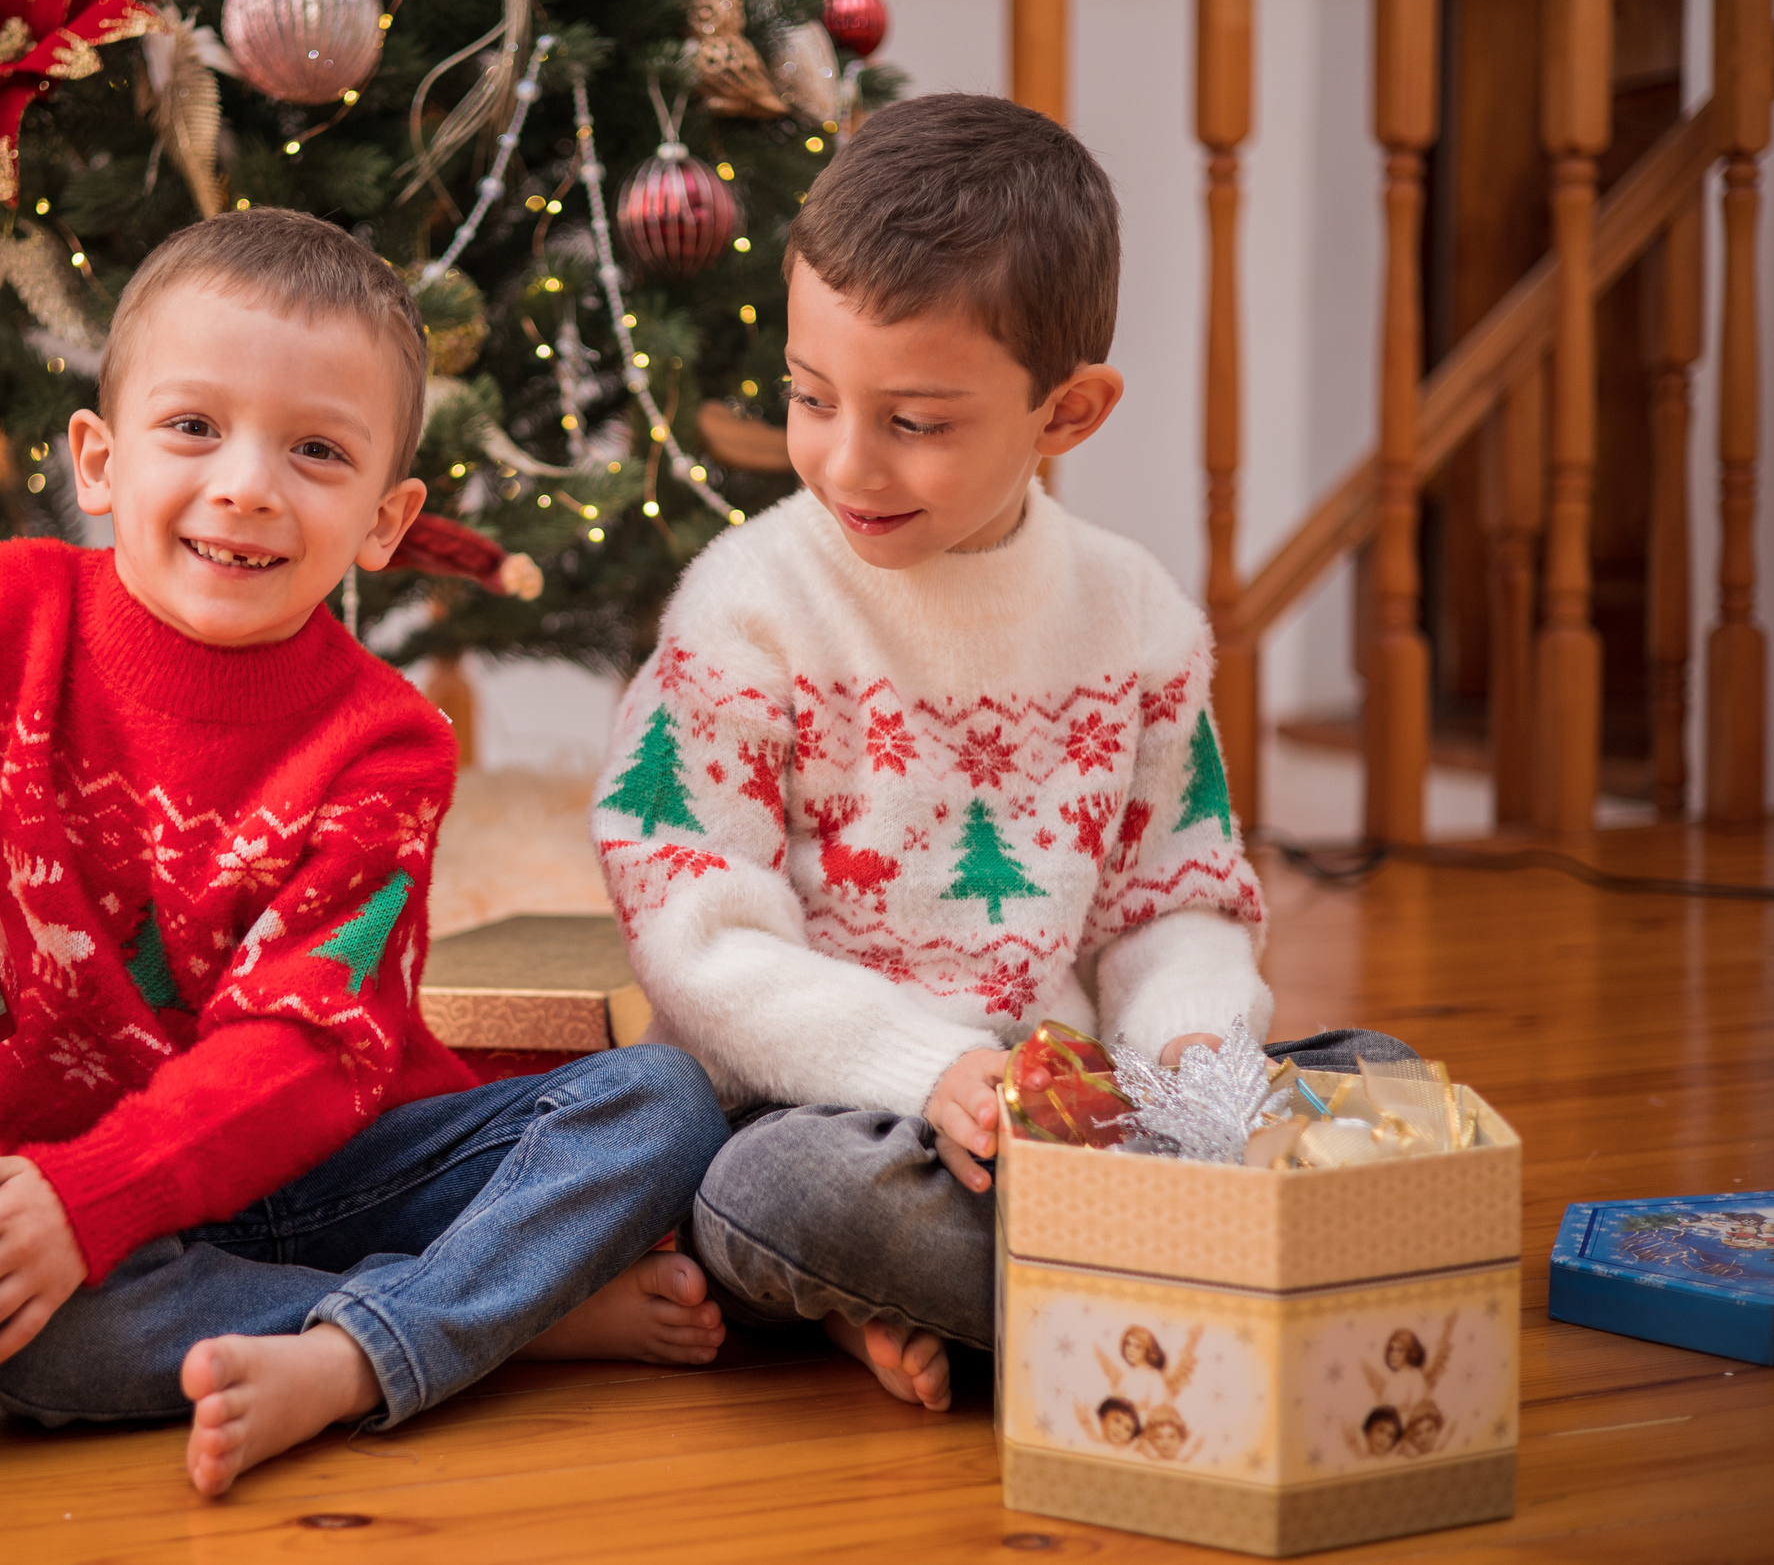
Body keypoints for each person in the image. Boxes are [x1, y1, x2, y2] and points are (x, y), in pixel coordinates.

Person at [0, 209, 730, 1495]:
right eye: (194, 427)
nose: (247, 484)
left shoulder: (386, 745)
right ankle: (495, 1316)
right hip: (66, 1200)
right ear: (98, 460)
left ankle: (358, 1353)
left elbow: (310, 1049)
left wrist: (100, 1192)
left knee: (657, 1104)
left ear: (385, 518)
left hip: (312, 1165)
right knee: (32, 1344)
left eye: (316, 451)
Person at [590, 94, 1412, 1414]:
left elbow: (1174, 903)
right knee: (771, 1195)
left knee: (1361, 1067)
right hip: (839, 1111)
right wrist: (927, 1071)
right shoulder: (744, 609)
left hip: (1074, 1126)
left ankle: (1017, 1298)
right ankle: (1208, 1300)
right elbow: (702, 939)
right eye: (811, 396)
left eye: (914, 421)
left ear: (1067, 412)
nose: (845, 459)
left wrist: (1194, 1073)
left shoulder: (1134, 612)